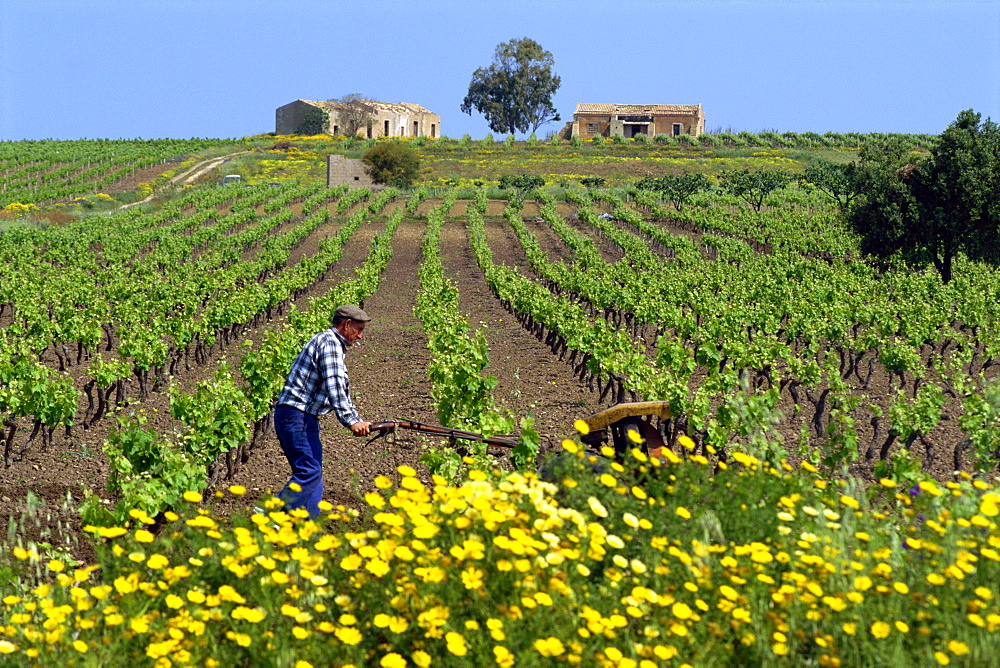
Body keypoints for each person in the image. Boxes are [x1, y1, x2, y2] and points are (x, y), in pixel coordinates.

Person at [273, 304, 372, 515]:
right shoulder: (330, 344)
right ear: (346, 324)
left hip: (305, 417)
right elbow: (334, 385)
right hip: (295, 415)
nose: (361, 336)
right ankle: (267, 516)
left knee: (313, 474)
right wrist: (352, 420)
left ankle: (308, 528)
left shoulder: (330, 343)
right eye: (359, 330)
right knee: (309, 470)